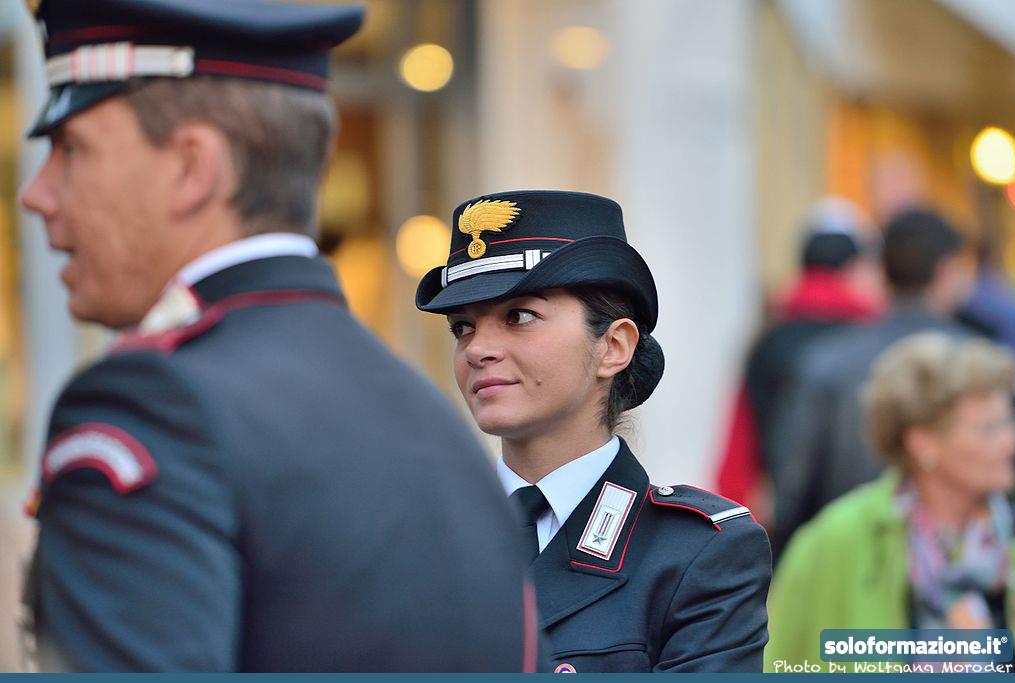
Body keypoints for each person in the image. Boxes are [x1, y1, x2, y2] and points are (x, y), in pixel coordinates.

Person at [19, 0, 537, 672]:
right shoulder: (428, 417)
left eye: (71, 148)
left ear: (190, 169)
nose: (37, 192)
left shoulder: (152, 404)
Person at [415, 190, 772, 673]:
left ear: (613, 346)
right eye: (462, 327)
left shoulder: (696, 554)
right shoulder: (418, 543)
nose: (479, 349)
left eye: (519, 317)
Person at [766, 332, 1015, 671]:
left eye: (1009, 421)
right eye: (988, 429)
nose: (1011, 442)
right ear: (923, 444)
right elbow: (776, 660)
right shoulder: (837, 539)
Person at [768, 207, 976, 555]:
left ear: (882, 271)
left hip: (846, 558)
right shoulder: (981, 363)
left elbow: (792, 481)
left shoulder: (827, 360)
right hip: (958, 562)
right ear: (946, 271)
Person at [714, 197, 884, 518]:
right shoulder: (873, 340)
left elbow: (738, 447)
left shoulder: (769, 338)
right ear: (854, 269)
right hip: (868, 518)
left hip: (785, 520)